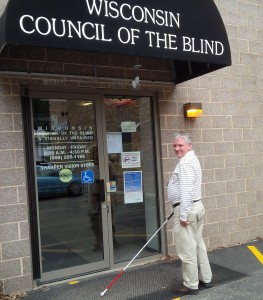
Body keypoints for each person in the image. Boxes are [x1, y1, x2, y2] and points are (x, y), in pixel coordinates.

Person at [167, 131, 212, 295]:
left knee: (187, 249)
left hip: (188, 210)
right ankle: (206, 278)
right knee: (199, 245)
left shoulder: (185, 162)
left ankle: (191, 284)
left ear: (189, 145)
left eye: (180, 145)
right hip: (196, 206)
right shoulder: (192, 158)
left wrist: (183, 215)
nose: (177, 148)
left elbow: (186, 190)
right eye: (174, 145)